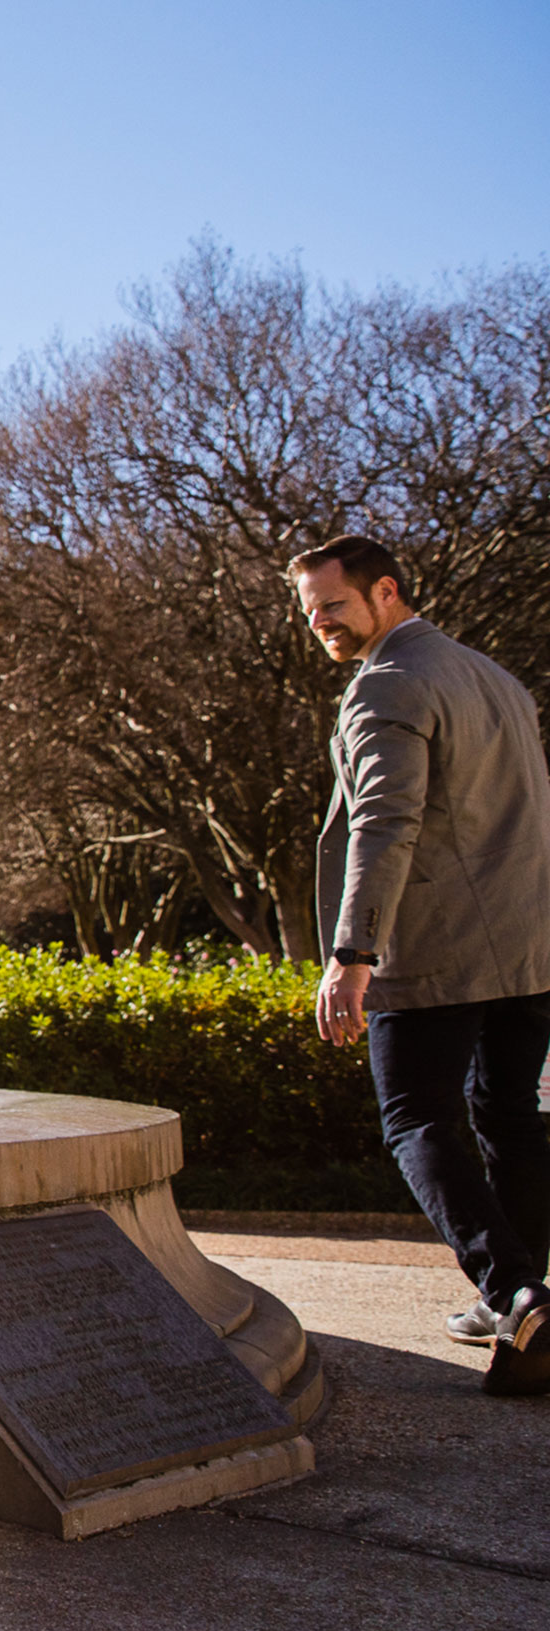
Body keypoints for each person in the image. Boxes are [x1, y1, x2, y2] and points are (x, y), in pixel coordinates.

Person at [292, 535, 550, 1394]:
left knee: (415, 1121)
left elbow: (384, 822)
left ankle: (514, 1293)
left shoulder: (387, 685)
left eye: (333, 605)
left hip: (434, 947)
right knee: (509, 1118)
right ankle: (521, 1310)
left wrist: (352, 954)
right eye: (310, 613)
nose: (320, 624)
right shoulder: (497, 680)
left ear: (386, 592)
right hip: (528, 947)